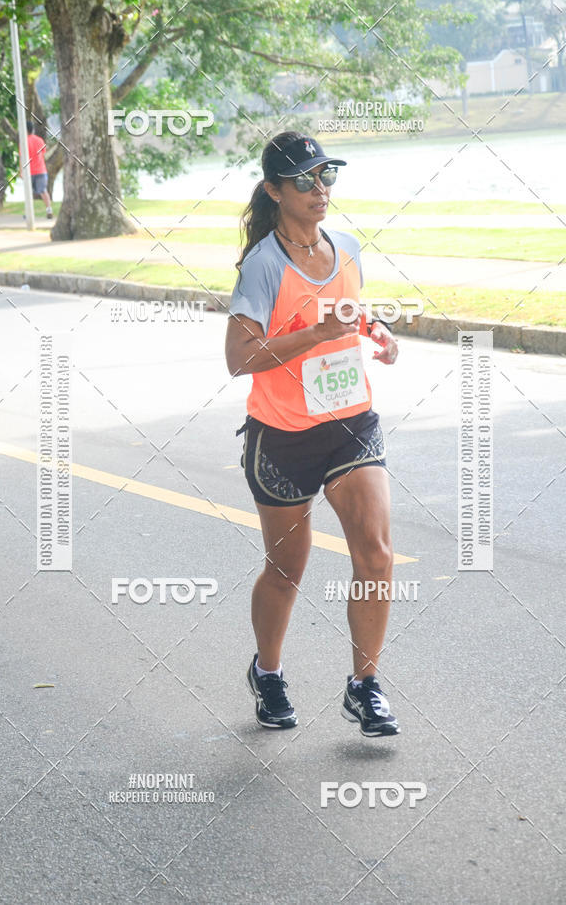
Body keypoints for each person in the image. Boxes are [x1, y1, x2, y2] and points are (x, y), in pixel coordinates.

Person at [225, 131, 401, 737]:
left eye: (326, 175)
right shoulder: (263, 264)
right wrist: (316, 336)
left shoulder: (347, 245)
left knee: (376, 555)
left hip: (351, 421)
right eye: (303, 180)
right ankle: (268, 673)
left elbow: (349, 311)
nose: (319, 189)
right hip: (283, 437)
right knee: (286, 570)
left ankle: (365, 686)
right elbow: (239, 359)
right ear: (274, 191)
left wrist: (376, 332)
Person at [21, 121, 53, 219]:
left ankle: (28, 213)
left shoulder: (24, 142)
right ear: (32, 129)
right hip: (41, 170)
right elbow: (43, 153)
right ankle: (49, 209)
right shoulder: (40, 140)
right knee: (43, 191)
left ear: (25, 130)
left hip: (29, 171)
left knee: (28, 193)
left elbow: (22, 157)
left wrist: (21, 171)